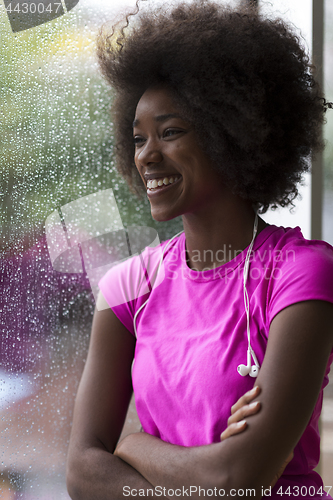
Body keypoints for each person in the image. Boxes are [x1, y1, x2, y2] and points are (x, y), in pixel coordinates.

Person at [66, 1, 333, 499]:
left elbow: (239, 477)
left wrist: (135, 446)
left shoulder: (302, 272)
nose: (146, 155)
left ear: (232, 133)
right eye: (138, 138)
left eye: (170, 132)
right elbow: (82, 471)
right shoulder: (127, 288)